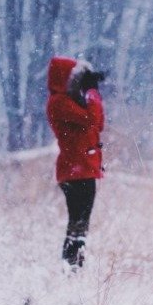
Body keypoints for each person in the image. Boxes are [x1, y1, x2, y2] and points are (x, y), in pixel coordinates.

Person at [46, 56, 105, 269]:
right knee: (78, 222)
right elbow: (91, 119)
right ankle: (72, 266)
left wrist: (90, 93)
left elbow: (98, 123)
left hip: (81, 169)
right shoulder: (59, 103)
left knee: (80, 223)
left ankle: (73, 265)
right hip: (76, 170)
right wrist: (91, 93)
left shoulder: (68, 102)